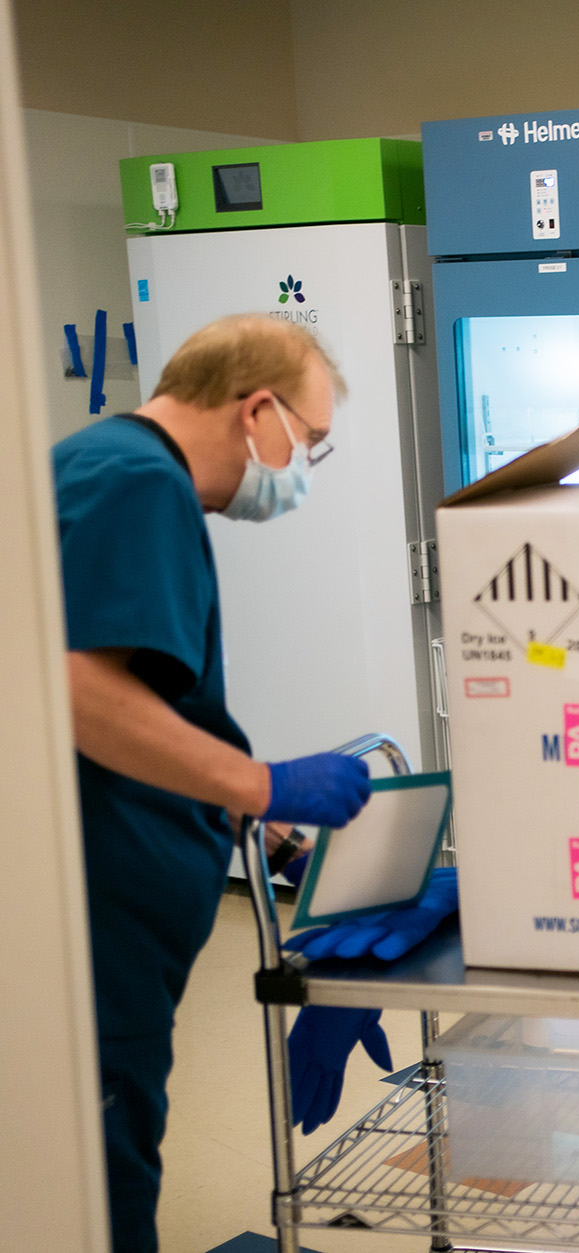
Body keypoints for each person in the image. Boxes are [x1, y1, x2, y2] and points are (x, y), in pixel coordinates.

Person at [53, 315, 375, 1252]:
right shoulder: (138, 484)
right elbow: (80, 692)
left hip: (114, 901)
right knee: (103, 1175)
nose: (304, 468)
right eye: (311, 442)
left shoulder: (102, 462)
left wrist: (251, 820)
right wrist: (263, 781)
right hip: (100, 920)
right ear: (259, 410)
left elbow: (150, 703)